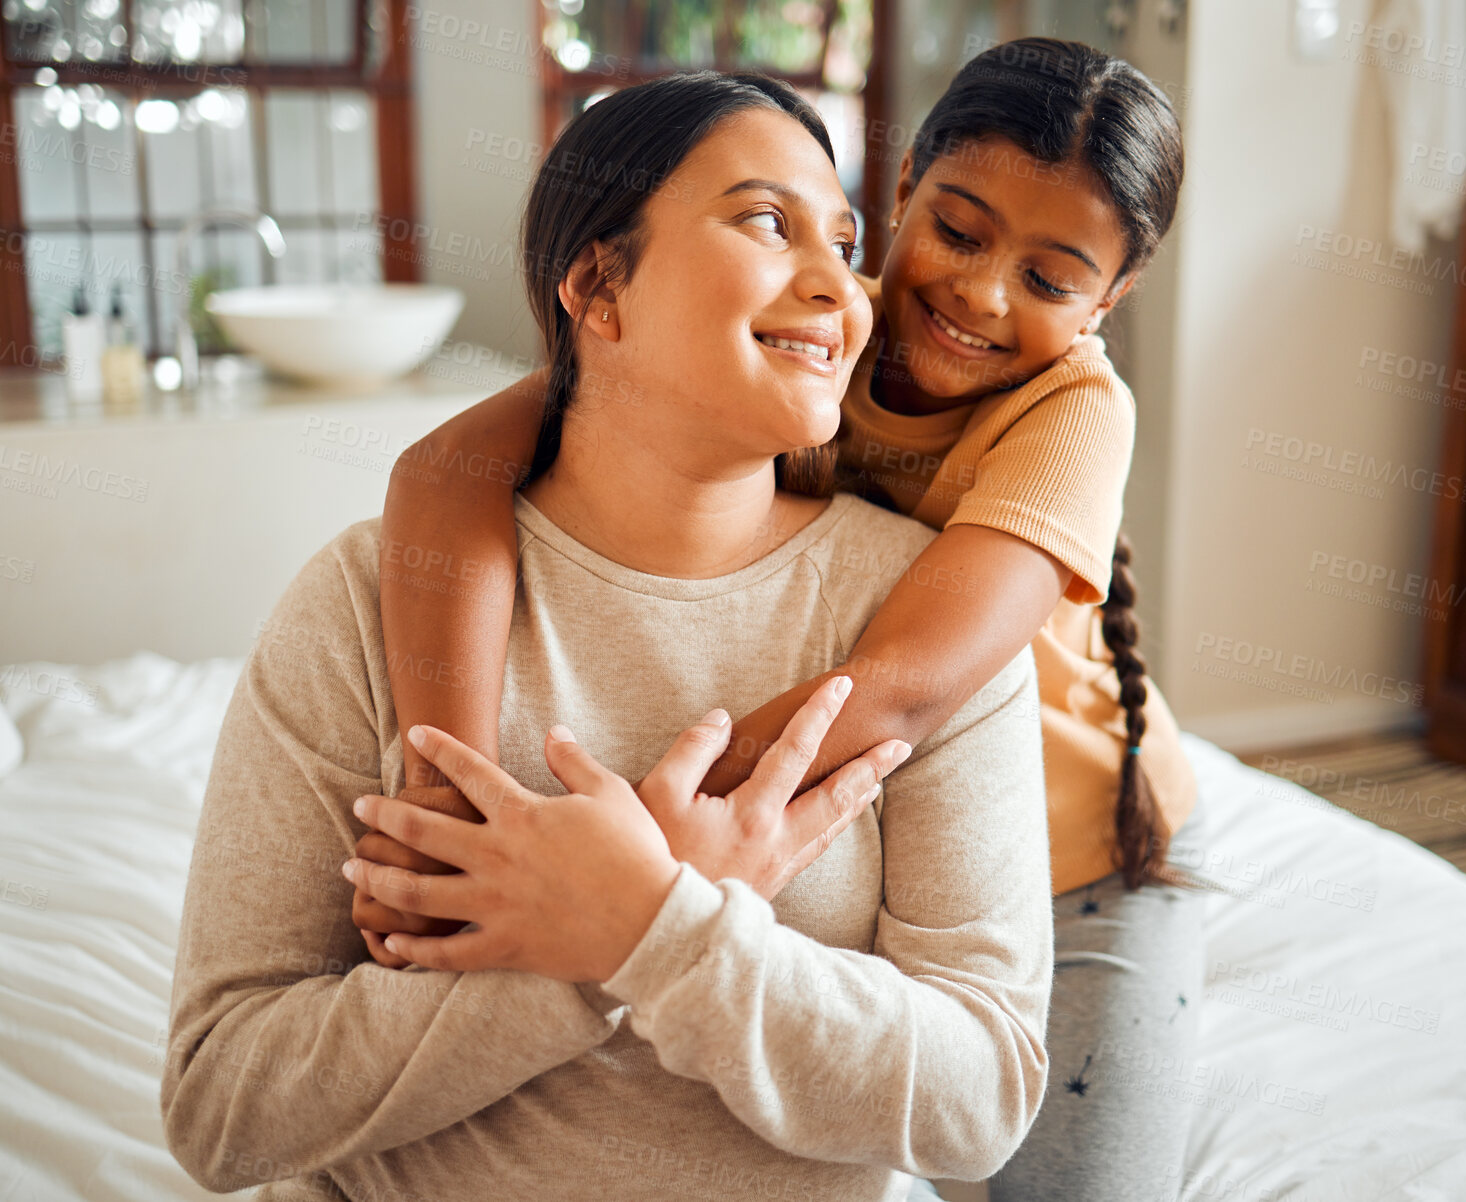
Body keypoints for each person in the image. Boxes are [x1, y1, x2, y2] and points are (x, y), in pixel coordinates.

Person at [161, 70, 1052, 1202]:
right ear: (598, 284)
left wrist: (655, 925)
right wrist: (602, 950)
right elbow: (220, 1103)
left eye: (844, 238)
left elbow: (979, 1102)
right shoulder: (364, 595)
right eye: (767, 222)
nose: (842, 286)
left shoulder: (923, 617)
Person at [358, 37, 1213, 1201]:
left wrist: (619, 863)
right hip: (876, 834)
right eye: (957, 232)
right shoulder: (813, 322)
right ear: (904, 182)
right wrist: (446, 802)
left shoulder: (1076, 411)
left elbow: (905, 683)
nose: (979, 293)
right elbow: (445, 469)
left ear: (1109, 300)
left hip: (1081, 857)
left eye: (1051, 280)